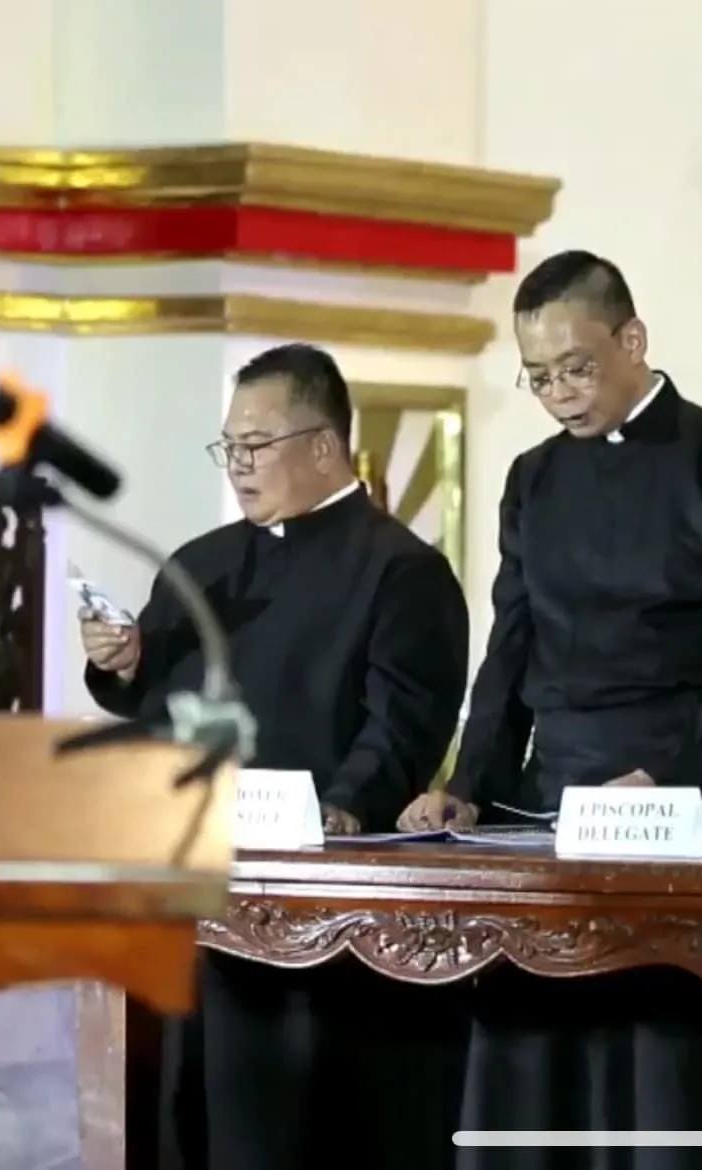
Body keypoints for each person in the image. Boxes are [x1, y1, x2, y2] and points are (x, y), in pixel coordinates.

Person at [395, 249, 702, 1170]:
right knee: (537, 1077)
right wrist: (469, 786)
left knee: (677, 1096)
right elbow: (510, 651)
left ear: (633, 340)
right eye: (538, 377)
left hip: (696, 811)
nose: (559, 395)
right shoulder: (533, 480)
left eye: (576, 369)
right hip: (556, 806)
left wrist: (664, 783)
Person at [80, 342, 471, 1170]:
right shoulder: (204, 566)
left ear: (323, 446)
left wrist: (342, 808)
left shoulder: (403, 571)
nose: (238, 466)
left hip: (333, 914)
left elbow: (404, 723)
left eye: (254, 446)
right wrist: (124, 665)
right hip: (205, 898)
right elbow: (164, 707)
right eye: (229, 446)